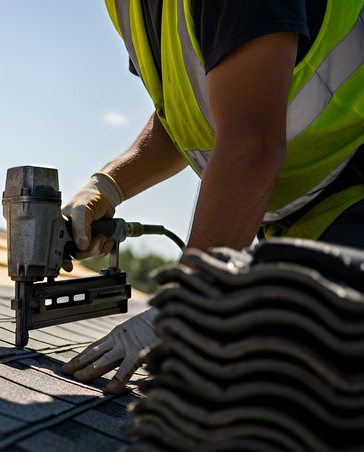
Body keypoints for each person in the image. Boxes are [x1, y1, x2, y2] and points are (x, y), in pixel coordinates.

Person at [60, 0, 364, 393]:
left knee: (305, 387)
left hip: (353, 189)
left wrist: (188, 303)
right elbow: (191, 112)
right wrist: (110, 183)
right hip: (314, 213)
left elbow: (251, 146)